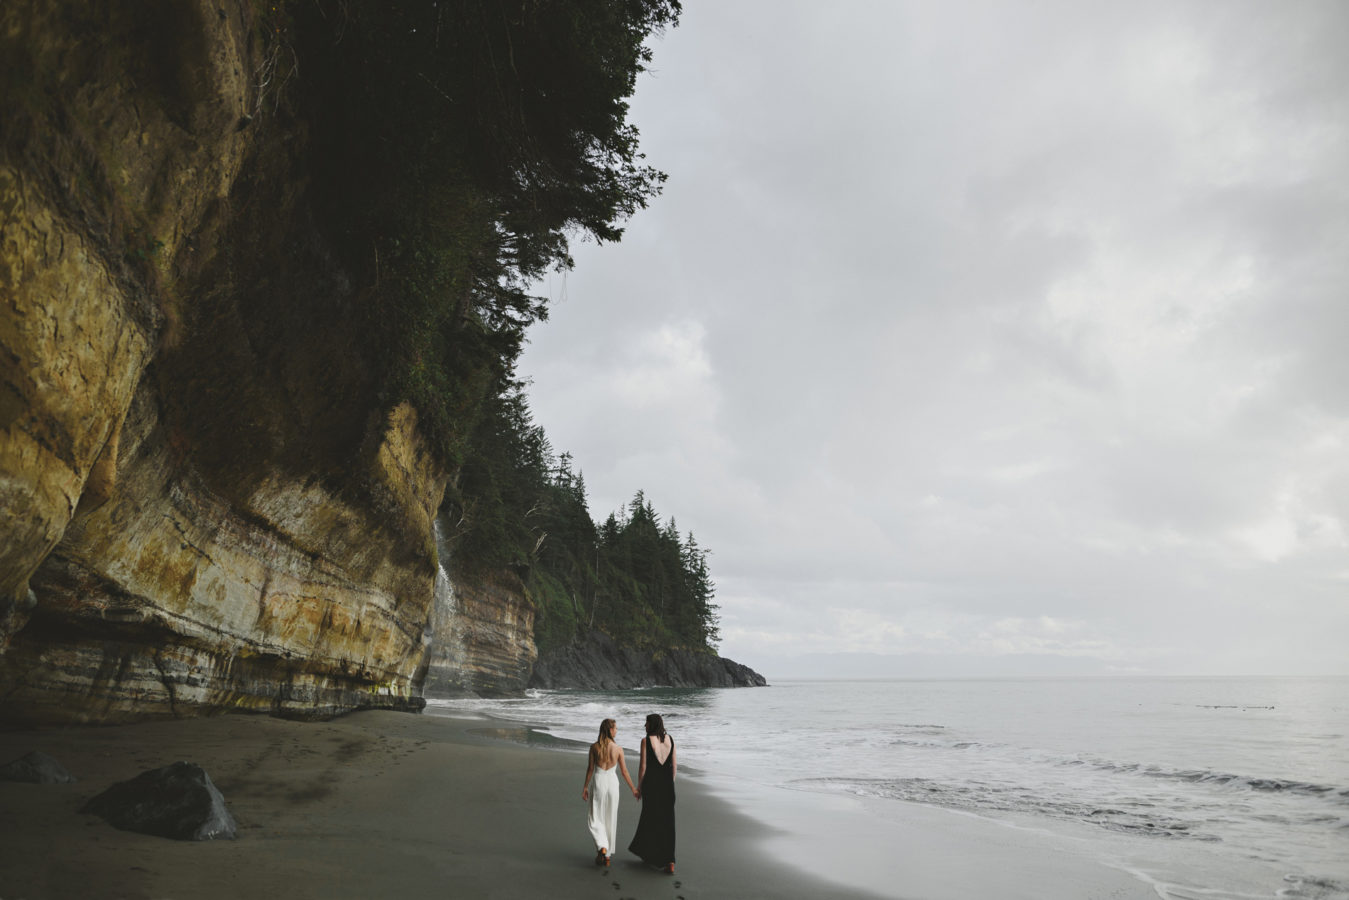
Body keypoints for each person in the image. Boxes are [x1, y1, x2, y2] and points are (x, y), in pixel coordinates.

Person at [581, 718, 638, 866]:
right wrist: (633, 788)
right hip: (612, 783)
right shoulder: (618, 749)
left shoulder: (594, 747)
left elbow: (590, 769)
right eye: (615, 728)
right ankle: (606, 855)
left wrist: (585, 787)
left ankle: (602, 847)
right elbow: (624, 771)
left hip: (599, 781)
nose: (617, 730)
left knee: (595, 817)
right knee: (609, 817)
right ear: (610, 730)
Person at [628, 712, 677, 873]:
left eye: (646, 723)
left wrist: (639, 788)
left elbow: (643, 767)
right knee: (668, 822)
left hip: (652, 785)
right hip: (667, 786)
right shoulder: (671, 740)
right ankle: (670, 861)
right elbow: (674, 767)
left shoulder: (645, 741)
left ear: (652, 724)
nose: (645, 726)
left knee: (650, 819)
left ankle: (651, 855)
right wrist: (670, 785)